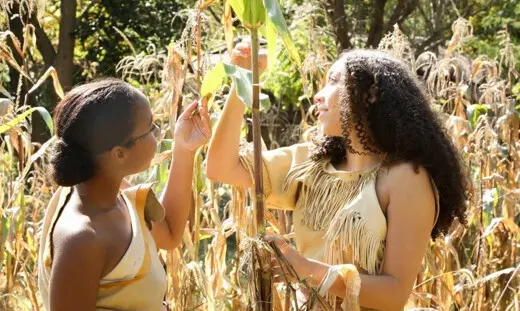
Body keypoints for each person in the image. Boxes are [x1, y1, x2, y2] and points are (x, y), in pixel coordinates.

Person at [206, 43, 469, 310]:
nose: (318, 96)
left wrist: (307, 269)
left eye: (333, 81)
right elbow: (220, 167)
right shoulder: (311, 163)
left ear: (369, 96)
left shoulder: (405, 179)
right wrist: (244, 79)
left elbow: (394, 294)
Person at [37, 78, 211, 311]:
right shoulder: (81, 239)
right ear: (119, 153)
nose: (157, 134)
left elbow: (169, 232)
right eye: (150, 129)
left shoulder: (110, 193)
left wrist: (184, 148)